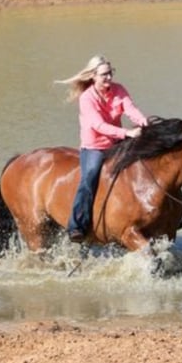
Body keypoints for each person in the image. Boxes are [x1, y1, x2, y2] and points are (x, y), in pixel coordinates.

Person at [55, 55, 148, 242]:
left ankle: (158, 216)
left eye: (110, 73)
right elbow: (98, 125)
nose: (109, 78)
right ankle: (77, 225)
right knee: (89, 176)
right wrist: (127, 133)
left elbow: (131, 109)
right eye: (104, 75)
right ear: (93, 76)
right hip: (94, 147)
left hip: (117, 143)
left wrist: (143, 121)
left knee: (148, 163)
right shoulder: (86, 98)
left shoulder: (119, 89)